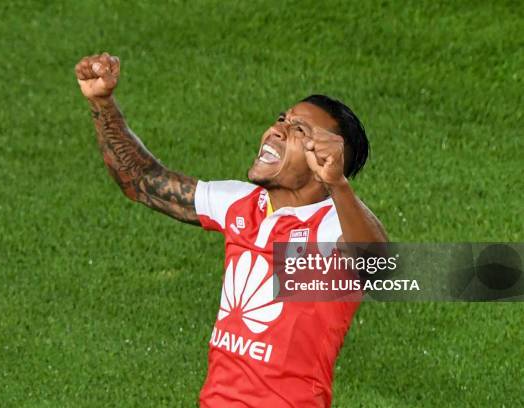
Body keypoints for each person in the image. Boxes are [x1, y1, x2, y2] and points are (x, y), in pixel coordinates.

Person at [75, 52, 387, 407]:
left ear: (328, 158)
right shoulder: (241, 202)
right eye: (281, 119)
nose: (276, 130)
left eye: (297, 130)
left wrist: (339, 185)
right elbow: (143, 182)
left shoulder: (331, 227)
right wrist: (102, 102)